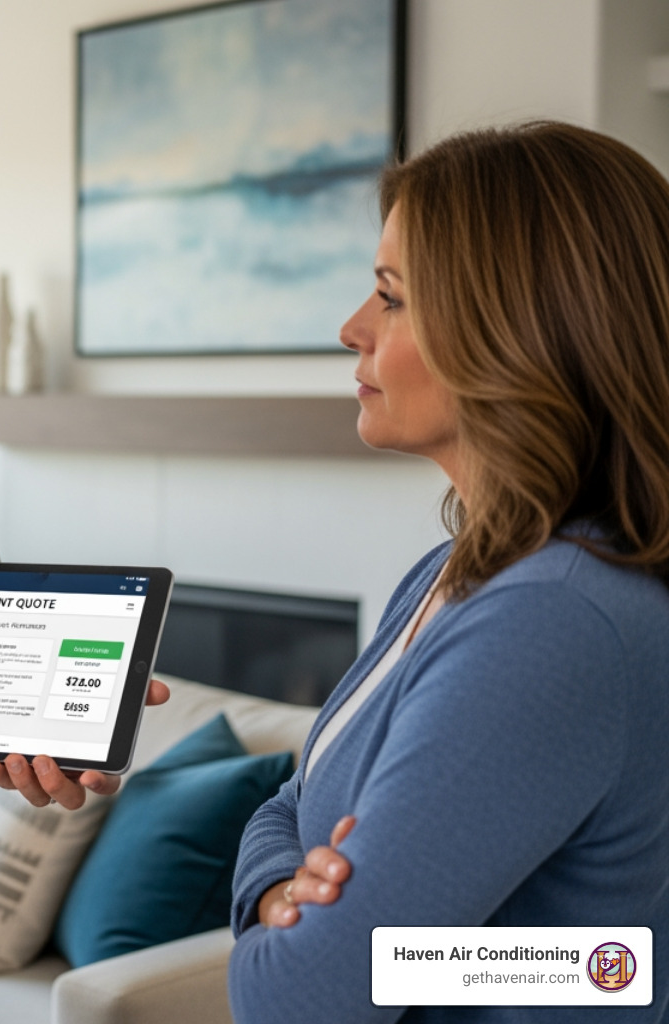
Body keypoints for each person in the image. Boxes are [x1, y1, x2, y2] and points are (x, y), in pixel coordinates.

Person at [226, 122, 669, 1022]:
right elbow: (287, 801)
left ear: (515, 332)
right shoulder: (457, 571)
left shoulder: (552, 619)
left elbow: (298, 999)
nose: (351, 327)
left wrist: (348, 951)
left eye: (390, 297)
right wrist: (280, 895)